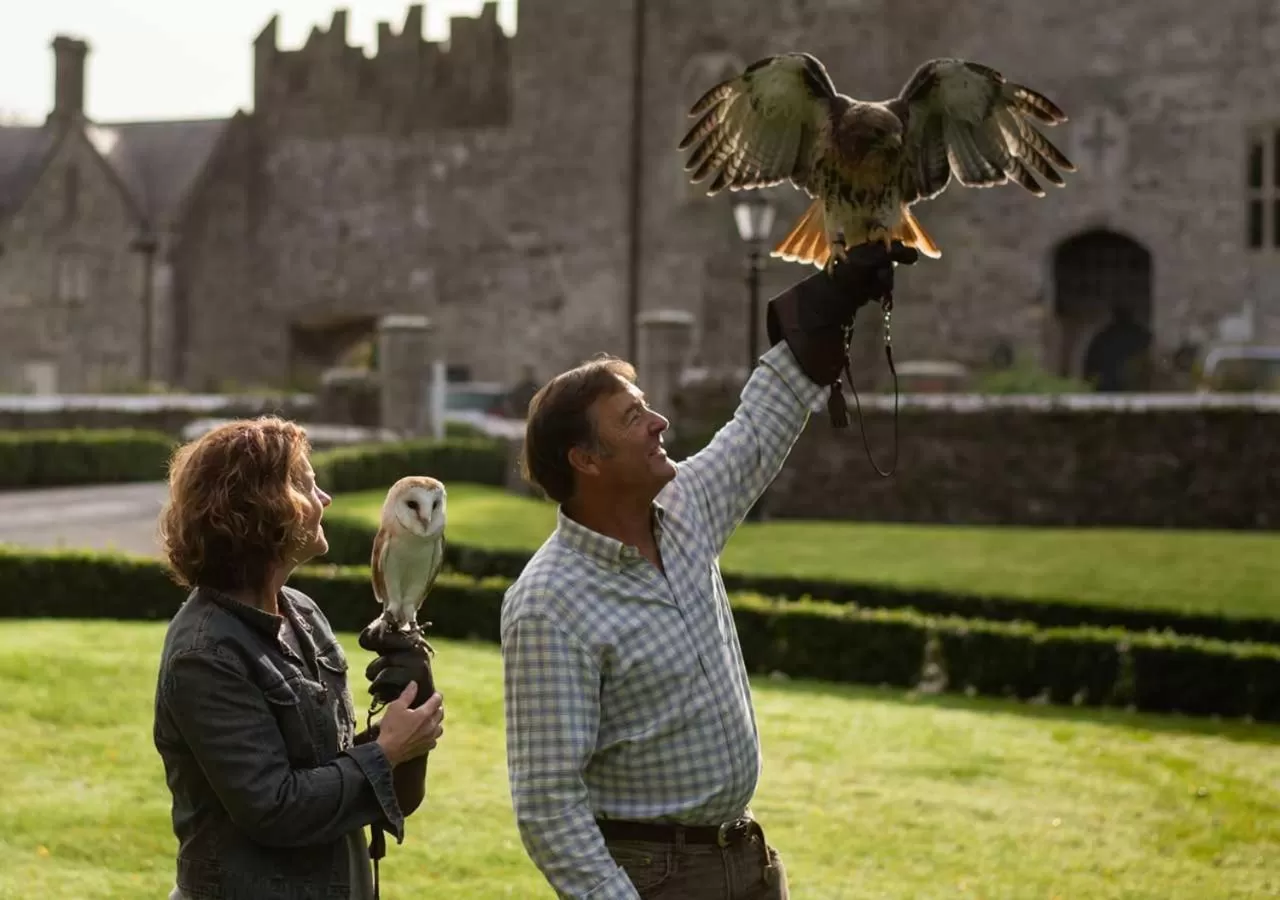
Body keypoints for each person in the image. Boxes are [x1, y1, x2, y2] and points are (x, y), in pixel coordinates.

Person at [500, 242, 919, 899]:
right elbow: (547, 802)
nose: (660, 423)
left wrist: (833, 297)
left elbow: (757, 429)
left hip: (746, 858)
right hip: (655, 877)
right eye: (634, 417)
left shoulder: (685, 506)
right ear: (586, 460)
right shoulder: (549, 601)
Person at [151, 416, 444, 900]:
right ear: (262, 508)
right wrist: (386, 751)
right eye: (307, 484)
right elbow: (275, 808)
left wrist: (411, 715)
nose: (325, 499)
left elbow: (351, 784)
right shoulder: (205, 653)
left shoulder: (302, 614)